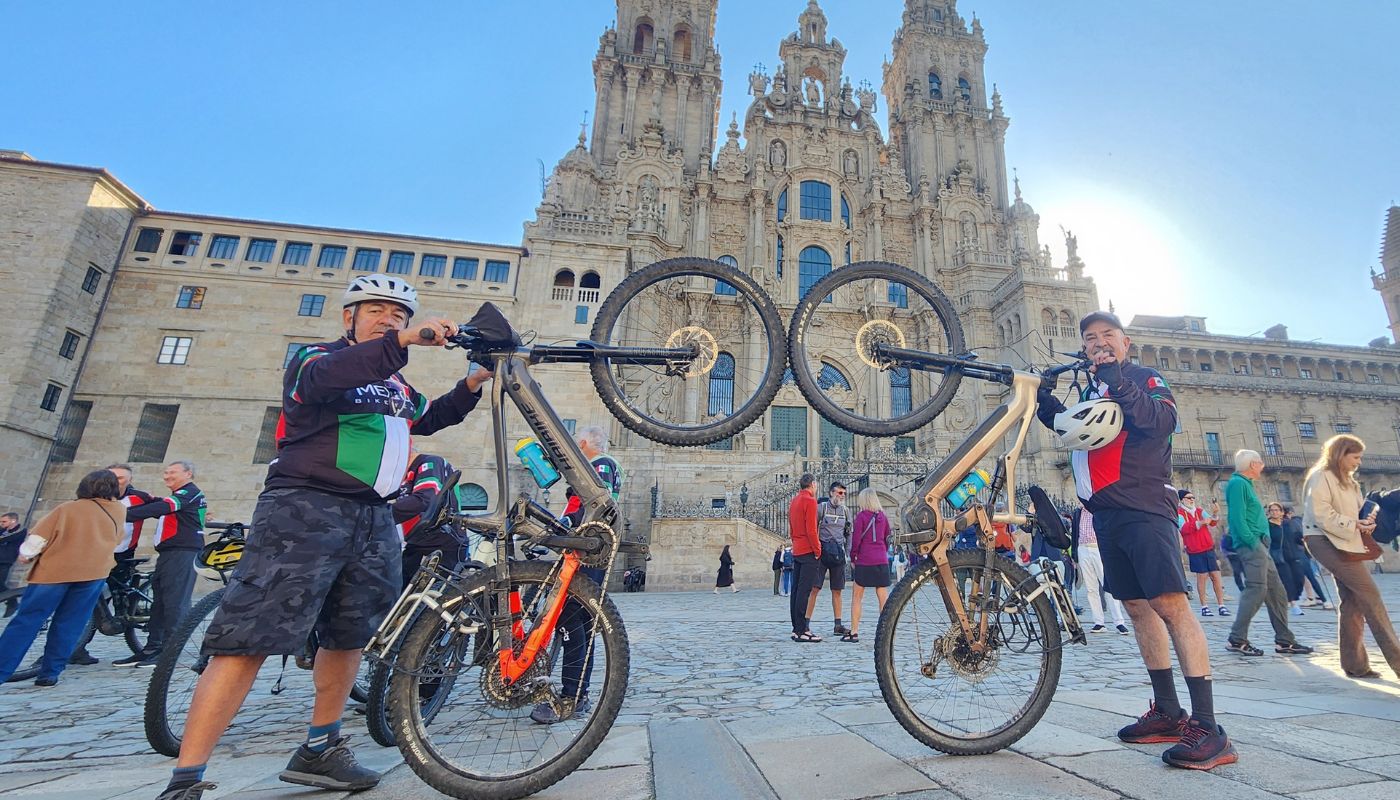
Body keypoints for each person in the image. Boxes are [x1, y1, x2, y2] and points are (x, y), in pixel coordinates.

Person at [156, 275, 491, 800]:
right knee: (250, 637)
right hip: (305, 507)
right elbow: (324, 380)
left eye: (399, 315)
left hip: (373, 517)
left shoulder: (397, 388)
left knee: (349, 634)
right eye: (377, 310)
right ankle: (186, 779)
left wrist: (471, 384)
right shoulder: (316, 359)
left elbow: (430, 418)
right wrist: (401, 343)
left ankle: (320, 748)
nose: (390, 320)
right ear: (348, 317)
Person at [1036, 310, 1233, 770]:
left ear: (1126, 344)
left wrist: (1118, 379)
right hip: (1106, 514)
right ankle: (1167, 710)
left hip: (1145, 506)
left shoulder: (1145, 378)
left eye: (1108, 336)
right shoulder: (1093, 391)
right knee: (1138, 608)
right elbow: (1072, 430)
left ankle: (1209, 727)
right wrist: (1045, 400)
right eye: (1090, 339)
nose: (1099, 343)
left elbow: (1160, 422)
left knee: (1170, 605)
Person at [531, 424, 622, 724]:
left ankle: (572, 695)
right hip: (583, 553)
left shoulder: (601, 465)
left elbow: (592, 509)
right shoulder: (597, 468)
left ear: (582, 443)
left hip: (585, 557)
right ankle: (576, 693)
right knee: (579, 626)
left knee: (572, 622)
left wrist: (560, 528)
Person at [0, 470, 125, 686]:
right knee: (70, 623)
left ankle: (2, 669)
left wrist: (26, 555)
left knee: (28, 620)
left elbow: (39, 537)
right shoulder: (119, 510)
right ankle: (50, 672)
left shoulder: (69, 508)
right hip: (93, 573)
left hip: (56, 572)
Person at [1301, 434, 1400, 679]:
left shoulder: (1349, 481)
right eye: (1355, 456)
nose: (1359, 461)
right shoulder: (1321, 476)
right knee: (1370, 595)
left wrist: (1364, 523)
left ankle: (1355, 665)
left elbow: (1356, 511)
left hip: (1345, 540)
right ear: (1340, 454)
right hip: (1322, 540)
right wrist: (1353, 524)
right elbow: (1321, 514)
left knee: (1353, 601)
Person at [114, 460, 207, 668]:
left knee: (175, 602)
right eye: (165, 472)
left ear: (188, 474)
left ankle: (169, 653)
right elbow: (157, 505)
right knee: (160, 603)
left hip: (183, 552)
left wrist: (121, 514)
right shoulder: (176, 496)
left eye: (172, 472)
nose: (167, 476)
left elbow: (163, 507)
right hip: (169, 553)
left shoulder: (189, 493)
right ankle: (151, 649)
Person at [1225, 451, 1310, 658]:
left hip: (1260, 546)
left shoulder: (1246, 484)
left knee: (1277, 592)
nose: (1263, 466)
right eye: (1260, 462)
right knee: (1256, 589)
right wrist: (1252, 541)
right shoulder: (1238, 484)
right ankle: (1237, 638)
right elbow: (1236, 517)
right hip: (1252, 545)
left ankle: (1285, 641)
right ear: (1253, 464)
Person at [69, 463, 155, 666]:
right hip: (96, 554)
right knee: (91, 602)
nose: (117, 481)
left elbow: (163, 506)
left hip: (122, 555)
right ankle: (76, 647)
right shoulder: (95, 498)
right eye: (113, 476)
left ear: (129, 480)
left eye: (122, 477)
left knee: (110, 597)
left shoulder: (140, 498)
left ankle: (122, 619)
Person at [1069, 507, 1130, 634]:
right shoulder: (1078, 513)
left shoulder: (1099, 510)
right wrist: (1075, 555)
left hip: (1098, 547)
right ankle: (1098, 622)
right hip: (1083, 548)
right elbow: (1075, 533)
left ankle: (1119, 621)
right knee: (1091, 588)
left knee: (1108, 585)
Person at [845, 488, 891, 643]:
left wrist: (853, 557)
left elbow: (856, 540)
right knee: (883, 596)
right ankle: (885, 631)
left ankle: (854, 631)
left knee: (857, 597)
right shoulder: (883, 517)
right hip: (881, 560)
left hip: (865, 560)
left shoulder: (861, 517)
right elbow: (887, 537)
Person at [808, 481, 853, 636]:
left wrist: (847, 553)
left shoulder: (845, 511)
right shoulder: (821, 508)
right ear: (831, 493)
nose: (842, 496)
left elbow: (849, 533)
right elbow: (813, 529)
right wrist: (815, 550)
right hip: (822, 552)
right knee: (814, 588)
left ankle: (838, 624)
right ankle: (806, 622)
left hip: (838, 553)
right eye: (840, 493)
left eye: (844, 493)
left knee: (837, 590)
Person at [1177, 490, 1229, 618]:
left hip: (1208, 547)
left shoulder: (1199, 511)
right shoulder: (1179, 513)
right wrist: (1200, 523)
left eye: (1193, 497)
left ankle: (1221, 605)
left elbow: (1212, 522)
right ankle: (1204, 606)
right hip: (1195, 550)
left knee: (1216, 576)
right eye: (1189, 498)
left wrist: (1215, 513)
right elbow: (1183, 528)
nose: (1192, 500)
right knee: (1202, 577)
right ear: (1182, 499)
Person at [788, 473, 823, 643]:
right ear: (812, 485)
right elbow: (811, 529)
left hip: (797, 549)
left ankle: (796, 628)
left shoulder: (794, 501)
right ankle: (802, 630)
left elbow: (792, 528)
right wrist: (817, 550)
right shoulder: (810, 501)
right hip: (808, 550)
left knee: (796, 590)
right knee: (804, 591)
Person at [0, 512, 25, 615]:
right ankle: (11, 600)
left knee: (0, 582)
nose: (1, 523)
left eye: (4, 521)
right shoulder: (2, 530)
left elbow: (7, 539)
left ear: (13, 521)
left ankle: (12, 599)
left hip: (5, 560)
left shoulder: (20, 530)